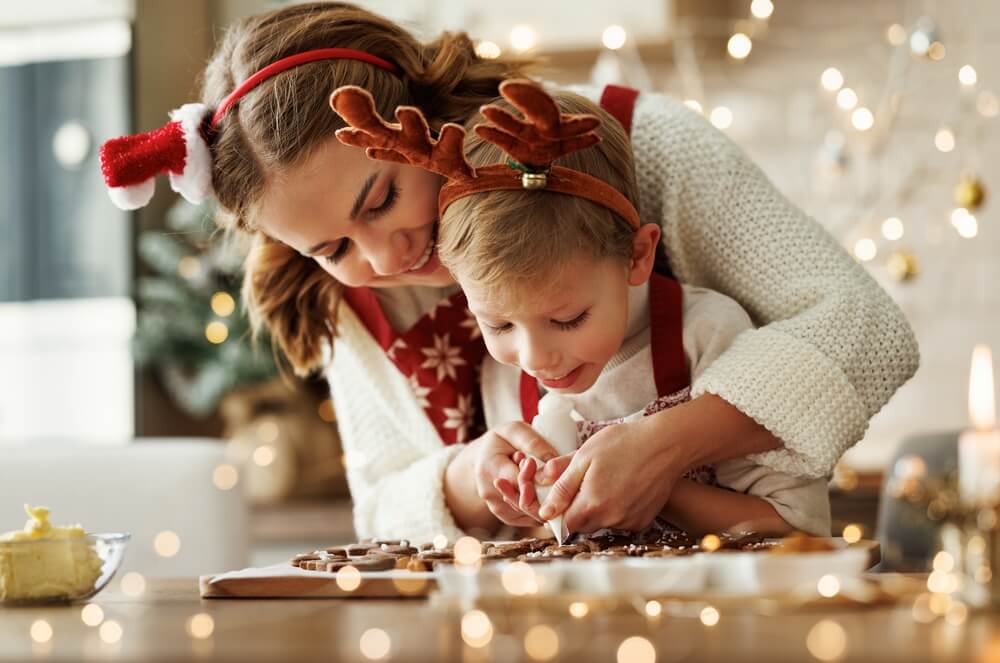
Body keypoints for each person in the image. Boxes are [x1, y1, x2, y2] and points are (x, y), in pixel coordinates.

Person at [99, 2, 918, 543]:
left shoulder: (639, 146)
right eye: (333, 248)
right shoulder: (349, 299)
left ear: (420, 108)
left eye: (381, 196)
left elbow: (864, 326)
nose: (385, 259)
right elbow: (381, 503)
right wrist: (465, 474)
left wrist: (663, 448)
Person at [336, 80, 831, 537]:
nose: (536, 358)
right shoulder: (503, 377)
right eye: (499, 323)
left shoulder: (706, 336)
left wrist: (656, 483)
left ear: (638, 255)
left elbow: (799, 530)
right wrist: (521, 507)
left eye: (568, 319)